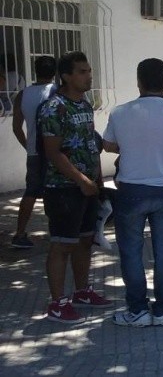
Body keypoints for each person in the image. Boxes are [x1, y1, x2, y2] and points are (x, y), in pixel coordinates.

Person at [104, 58, 163, 327]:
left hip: (131, 190)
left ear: (138, 82)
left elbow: (108, 144)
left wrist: (130, 148)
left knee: (131, 251)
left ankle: (138, 310)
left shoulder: (120, 112)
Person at [38, 51, 111, 323]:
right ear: (66, 76)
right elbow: (53, 152)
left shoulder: (84, 105)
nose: (88, 76)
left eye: (89, 70)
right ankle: (57, 304)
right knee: (62, 245)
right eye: (82, 71)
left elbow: (91, 142)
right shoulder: (53, 107)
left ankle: (82, 292)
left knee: (84, 241)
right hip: (63, 188)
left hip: (88, 187)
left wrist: (97, 180)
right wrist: (81, 180)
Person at [10, 56, 57, 249]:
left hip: (34, 152)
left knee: (31, 191)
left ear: (35, 71)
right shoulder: (57, 92)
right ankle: (57, 232)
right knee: (56, 191)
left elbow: (16, 128)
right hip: (56, 151)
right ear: (55, 72)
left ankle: (20, 233)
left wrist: (28, 146)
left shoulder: (23, 95)